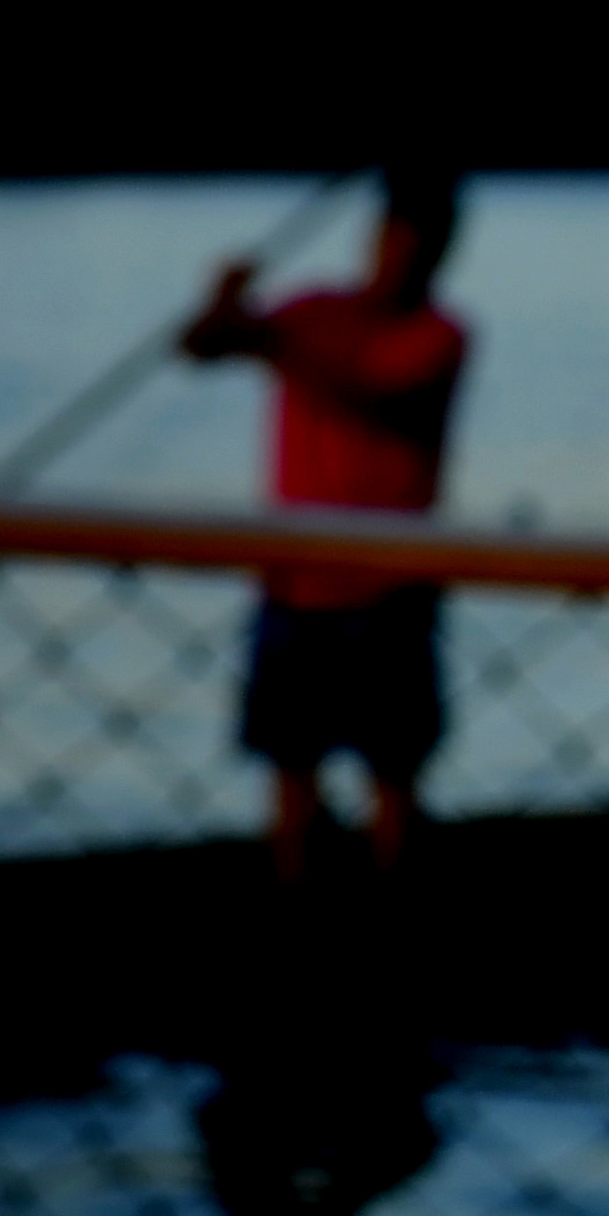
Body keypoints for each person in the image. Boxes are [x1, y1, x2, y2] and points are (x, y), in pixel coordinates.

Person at [183, 167, 471, 876]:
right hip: (295, 588)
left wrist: (270, 342)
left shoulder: (441, 335)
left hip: (389, 594)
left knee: (394, 779)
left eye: (420, 242)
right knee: (291, 777)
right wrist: (222, 301)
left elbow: (375, 392)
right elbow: (200, 346)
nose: (401, 254)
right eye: (395, 237)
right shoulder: (313, 311)